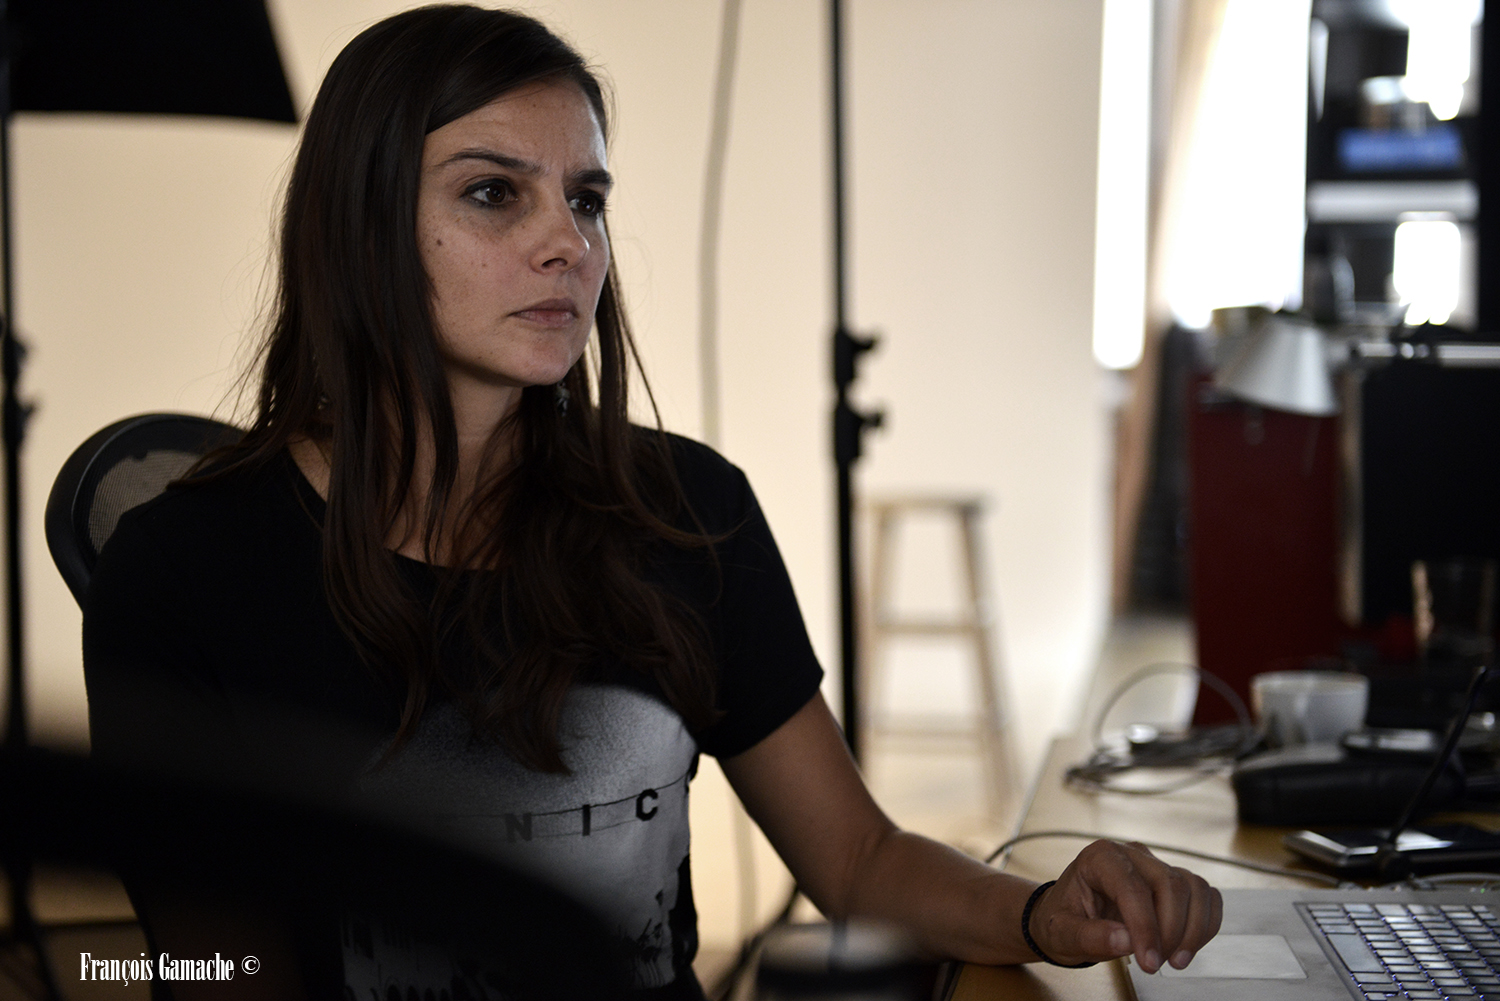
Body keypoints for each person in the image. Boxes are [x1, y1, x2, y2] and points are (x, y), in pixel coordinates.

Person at [81, 5, 1222, 999]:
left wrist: (1042, 909)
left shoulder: (688, 510)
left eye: (585, 199)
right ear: (358, 223)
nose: (567, 243)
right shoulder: (181, 570)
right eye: (494, 193)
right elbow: (208, 967)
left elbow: (860, 861)